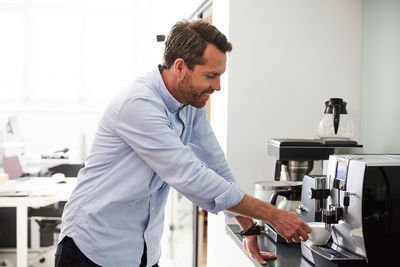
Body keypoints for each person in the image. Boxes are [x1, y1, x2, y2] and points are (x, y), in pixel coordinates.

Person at [55, 19, 311, 267]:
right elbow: (190, 176)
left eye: (220, 76)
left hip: (142, 250)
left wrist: (248, 226)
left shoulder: (190, 102)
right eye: (211, 75)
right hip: (93, 247)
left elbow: (215, 165)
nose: (218, 86)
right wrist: (274, 215)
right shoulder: (139, 105)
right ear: (180, 67)